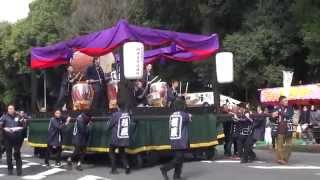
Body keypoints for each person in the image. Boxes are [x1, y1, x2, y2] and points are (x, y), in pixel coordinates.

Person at [160, 97, 191, 180]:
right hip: (181, 140)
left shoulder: (172, 115)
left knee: (179, 158)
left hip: (173, 139)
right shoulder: (184, 115)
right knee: (178, 159)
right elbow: (189, 119)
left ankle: (176, 176)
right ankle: (165, 168)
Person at [106, 103, 135, 174]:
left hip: (116, 138)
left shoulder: (116, 115)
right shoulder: (128, 115)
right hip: (124, 138)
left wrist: (108, 126)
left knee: (111, 151)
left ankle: (114, 169)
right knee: (122, 153)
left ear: (118, 107)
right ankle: (127, 166)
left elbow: (109, 125)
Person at [0, 105, 27, 176]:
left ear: (14, 109)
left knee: (17, 153)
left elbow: (23, 125)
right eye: (9, 109)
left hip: (17, 138)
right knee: (8, 155)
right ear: (7, 110)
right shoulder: (4, 116)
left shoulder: (18, 116)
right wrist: (4, 128)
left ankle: (19, 170)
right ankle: (10, 169)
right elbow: (1, 125)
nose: (10, 110)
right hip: (7, 138)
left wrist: (23, 123)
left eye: (12, 108)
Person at [272, 96, 294, 165]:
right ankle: (280, 159)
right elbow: (272, 119)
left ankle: (284, 159)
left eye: (287, 100)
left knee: (289, 145)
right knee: (279, 145)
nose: (287, 102)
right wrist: (273, 116)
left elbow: (289, 115)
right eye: (285, 101)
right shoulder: (276, 109)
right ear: (281, 102)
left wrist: (280, 112)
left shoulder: (290, 108)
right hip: (279, 128)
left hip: (288, 128)